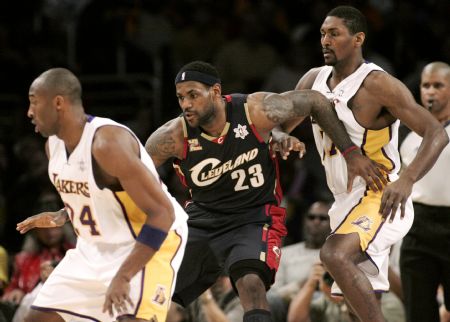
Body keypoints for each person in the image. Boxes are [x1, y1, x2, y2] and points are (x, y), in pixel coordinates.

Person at [145, 60, 388, 322]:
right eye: (181, 97)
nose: (186, 104)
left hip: (255, 217)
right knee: (156, 290)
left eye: (193, 95)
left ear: (215, 92)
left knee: (251, 284)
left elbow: (316, 101)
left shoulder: (254, 110)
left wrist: (349, 152)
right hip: (204, 219)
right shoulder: (171, 137)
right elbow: (133, 174)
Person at [288, 5, 449, 322]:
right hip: (344, 201)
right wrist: (282, 136)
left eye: (334, 34)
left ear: (358, 38)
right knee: (354, 306)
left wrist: (407, 180)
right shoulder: (313, 79)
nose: (325, 40)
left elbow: (435, 134)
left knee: (333, 254)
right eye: (322, 33)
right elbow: (282, 120)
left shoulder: (377, 83)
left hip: (381, 196)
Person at [18, 67, 188, 322]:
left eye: (34, 102)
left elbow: (162, 213)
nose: (29, 112)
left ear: (58, 103)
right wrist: (64, 214)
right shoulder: (52, 146)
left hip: (145, 240)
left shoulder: (107, 143)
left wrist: (123, 275)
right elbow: (100, 192)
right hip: (95, 248)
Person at [399, 61, 450, 322]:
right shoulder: (405, 132)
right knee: (418, 311)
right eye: (426, 85)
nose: (430, 91)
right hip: (417, 224)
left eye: (438, 85)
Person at [271, 200, 331, 303]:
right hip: (289, 304)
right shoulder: (284, 254)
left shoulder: (336, 256)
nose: (316, 222)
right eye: (311, 217)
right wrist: (305, 283)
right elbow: (274, 294)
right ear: (304, 220)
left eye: (323, 218)